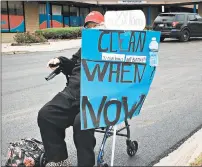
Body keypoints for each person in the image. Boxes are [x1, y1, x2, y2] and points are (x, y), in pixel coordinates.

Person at [37, 11, 105, 167]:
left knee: (81, 122)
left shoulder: (114, 48)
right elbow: (73, 63)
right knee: (46, 114)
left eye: (96, 27)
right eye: (89, 27)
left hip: (97, 98)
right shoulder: (86, 47)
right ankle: (59, 160)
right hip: (73, 94)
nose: (92, 30)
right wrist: (59, 61)